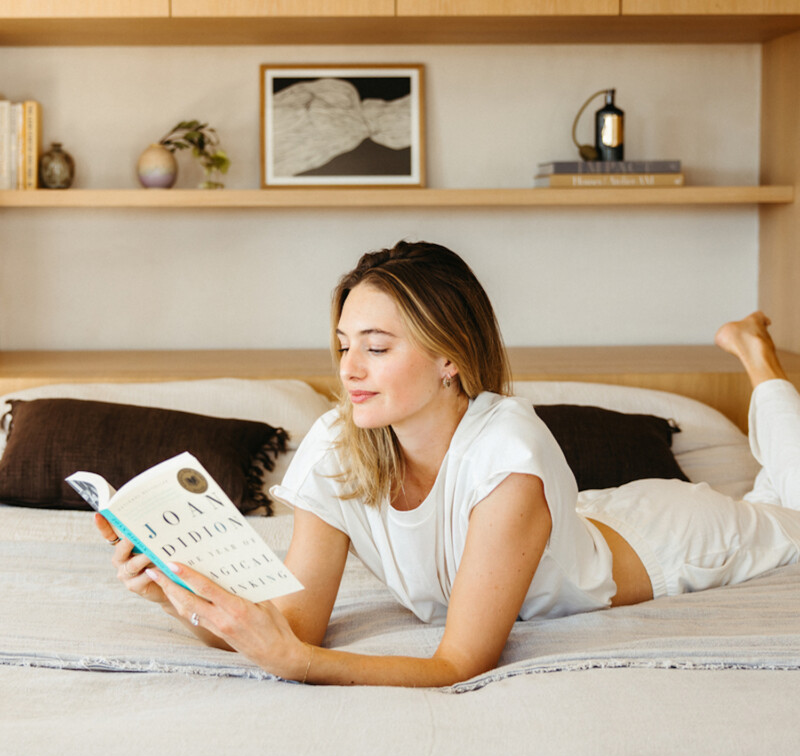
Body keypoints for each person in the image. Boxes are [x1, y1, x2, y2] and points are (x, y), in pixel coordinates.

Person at [96, 241, 800, 687]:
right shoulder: (341, 442)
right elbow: (296, 625)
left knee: (788, 508)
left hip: (665, 540)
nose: (349, 369)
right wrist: (175, 597)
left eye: (376, 347)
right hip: (564, 524)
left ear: (448, 359)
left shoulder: (508, 453)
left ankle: (756, 357)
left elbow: (456, 664)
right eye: (343, 345)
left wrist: (296, 667)